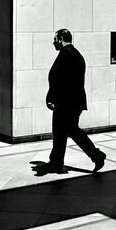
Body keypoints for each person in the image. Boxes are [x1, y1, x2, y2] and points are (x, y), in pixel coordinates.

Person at [46, 28, 107, 174]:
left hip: (66, 103)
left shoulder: (67, 54)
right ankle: (56, 161)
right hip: (71, 102)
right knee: (62, 132)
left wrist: (54, 99)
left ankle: (97, 155)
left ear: (61, 39)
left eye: (55, 39)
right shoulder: (74, 54)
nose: (53, 42)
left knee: (69, 131)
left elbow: (62, 81)